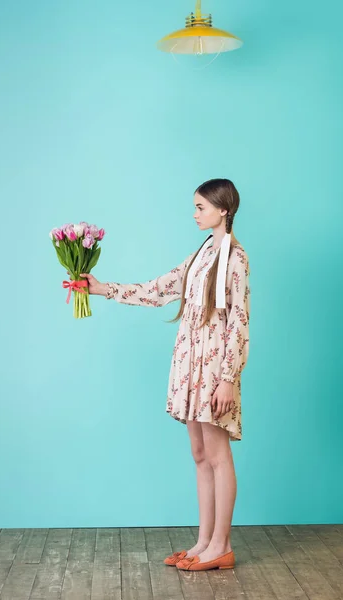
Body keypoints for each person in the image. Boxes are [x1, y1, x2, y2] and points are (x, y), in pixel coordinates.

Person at [80, 178, 251, 572]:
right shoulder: (201, 254)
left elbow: (239, 322)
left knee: (219, 454)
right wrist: (104, 288)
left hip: (213, 368)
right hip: (190, 366)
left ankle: (221, 545)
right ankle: (205, 540)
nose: (194, 214)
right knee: (199, 454)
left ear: (223, 210)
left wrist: (228, 377)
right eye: (194, 207)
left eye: (201, 207)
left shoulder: (235, 258)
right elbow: (160, 289)